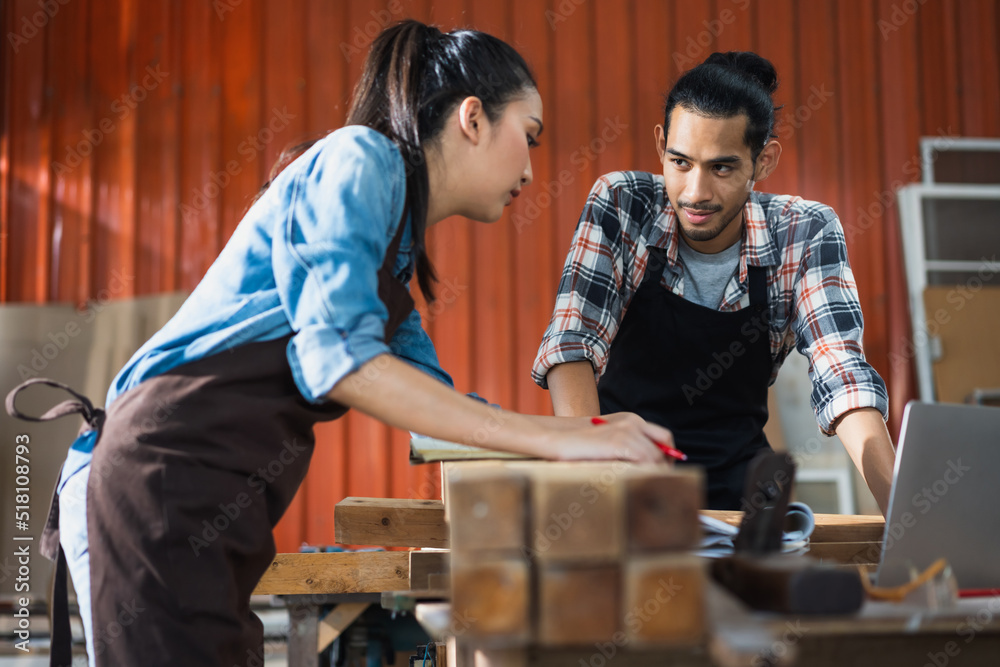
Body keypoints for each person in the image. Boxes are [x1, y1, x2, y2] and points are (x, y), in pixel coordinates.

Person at [6, 21, 672, 667]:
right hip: (154, 480)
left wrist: (592, 432)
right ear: (473, 118)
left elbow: (438, 420)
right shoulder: (360, 157)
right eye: (528, 135)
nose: (531, 169)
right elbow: (340, 362)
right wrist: (561, 439)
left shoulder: (393, 257)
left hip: (210, 509)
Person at [532, 51, 896, 514]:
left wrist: (903, 514)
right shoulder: (623, 204)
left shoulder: (805, 232)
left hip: (741, 499)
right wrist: (593, 483)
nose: (696, 192)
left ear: (763, 162)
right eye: (680, 162)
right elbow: (572, 345)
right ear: (661, 145)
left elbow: (842, 376)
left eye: (721, 168)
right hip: (624, 480)